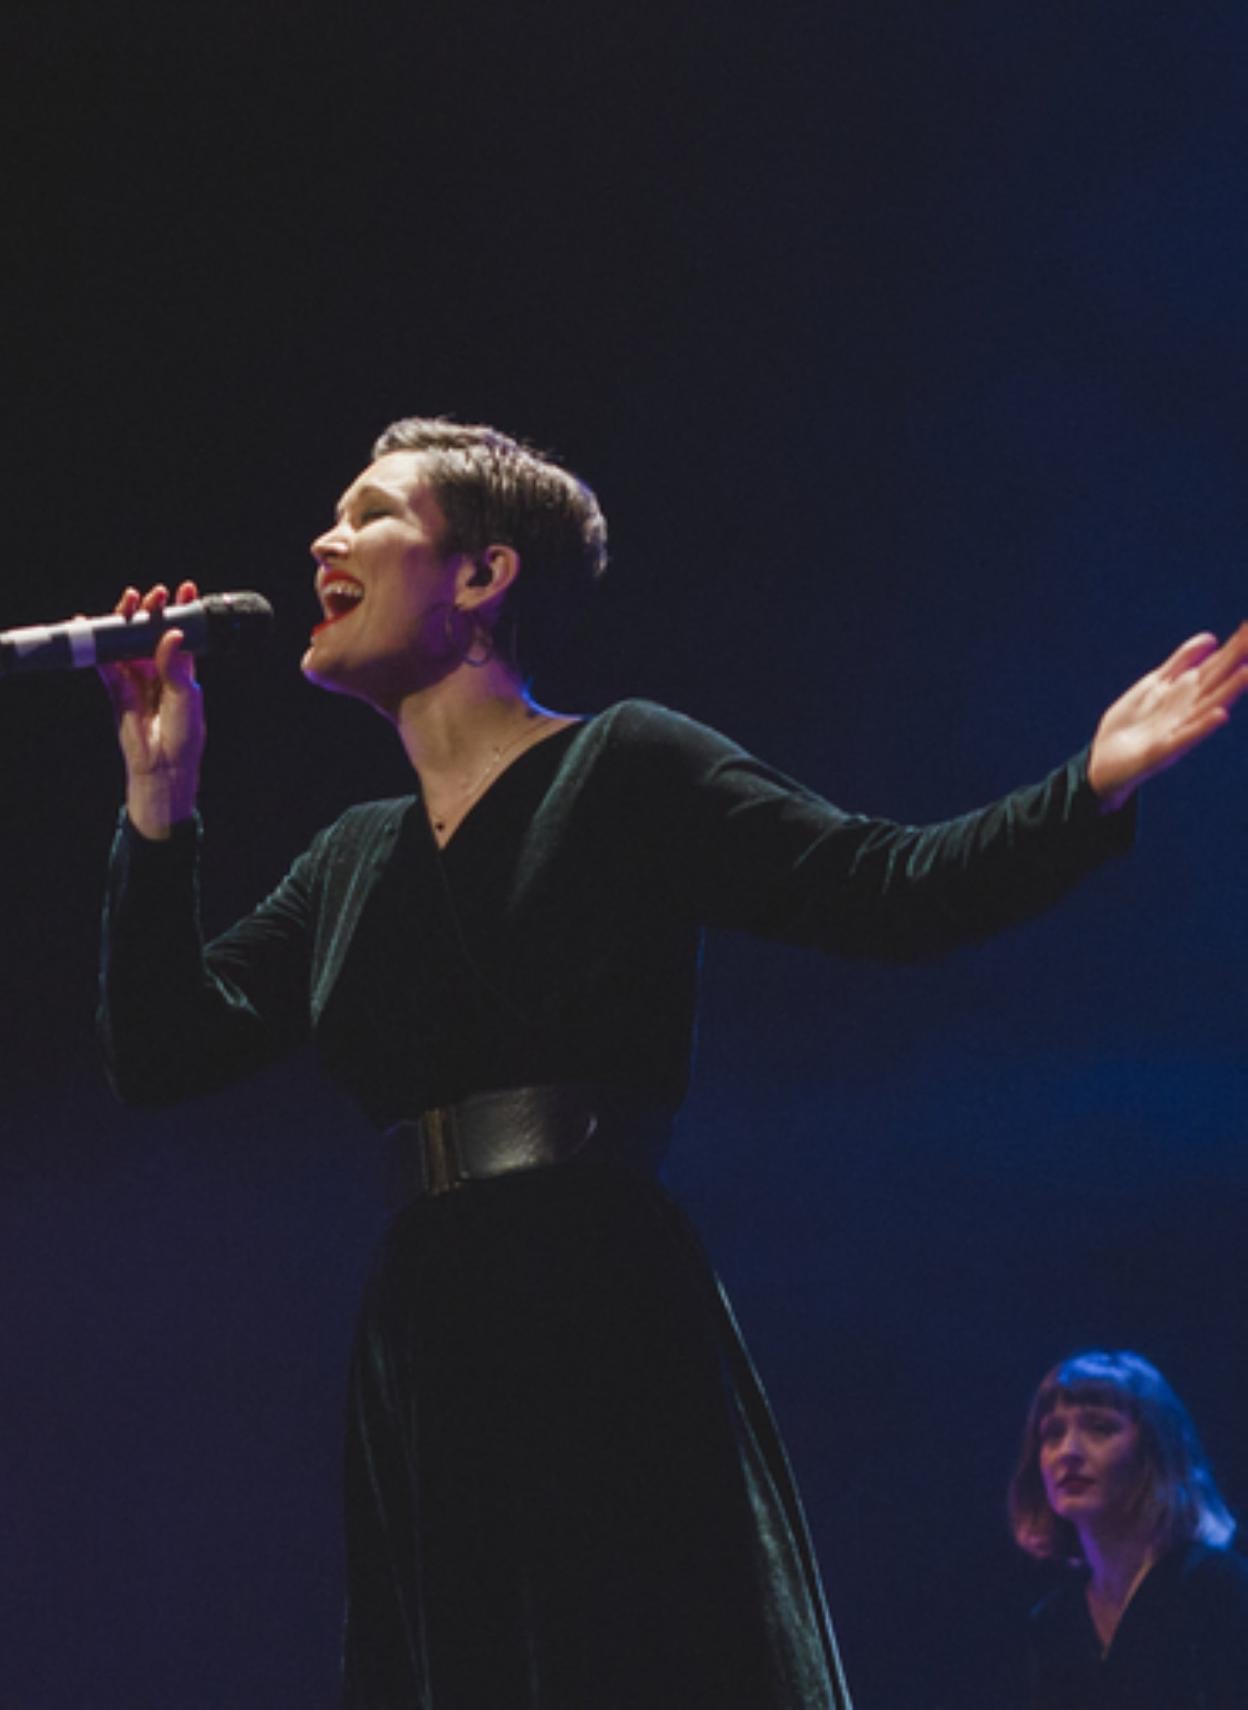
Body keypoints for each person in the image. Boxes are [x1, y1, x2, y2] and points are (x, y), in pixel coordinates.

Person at [97, 417, 1248, 1710]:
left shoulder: (624, 762)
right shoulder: (349, 859)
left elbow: (885, 887)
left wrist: (1083, 789)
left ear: (481, 576)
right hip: (423, 1341)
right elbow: (161, 1049)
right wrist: (160, 802)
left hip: (594, 1304)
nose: (326, 539)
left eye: (370, 513)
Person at [1008, 1348, 1248, 1709]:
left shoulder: (1215, 1588)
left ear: (1155, 1452)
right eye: (1053, 1433)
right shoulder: (1055, 1622)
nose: (1068, 1451)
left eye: (1100, 1428)